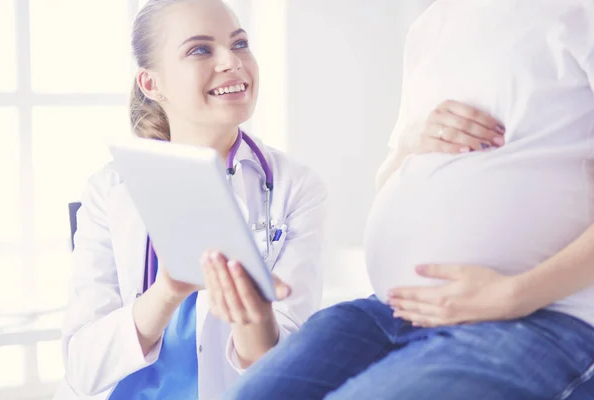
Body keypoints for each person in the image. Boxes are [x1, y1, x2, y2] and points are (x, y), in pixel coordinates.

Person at [225, 1, 594, 399]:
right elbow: (391, 178)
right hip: (388, 311)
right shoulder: (431, 25)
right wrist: (409, 143)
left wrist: (513, 294)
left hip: (541, 317)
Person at [53, 0, 327, 399]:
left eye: (239, 43)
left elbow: (281, 372)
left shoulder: (295, 188)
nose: (231, 61)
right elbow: (82, 369)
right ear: (151, 84)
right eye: (200, 49)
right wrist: (166, 291)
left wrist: (254, 315)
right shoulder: (110, 190)